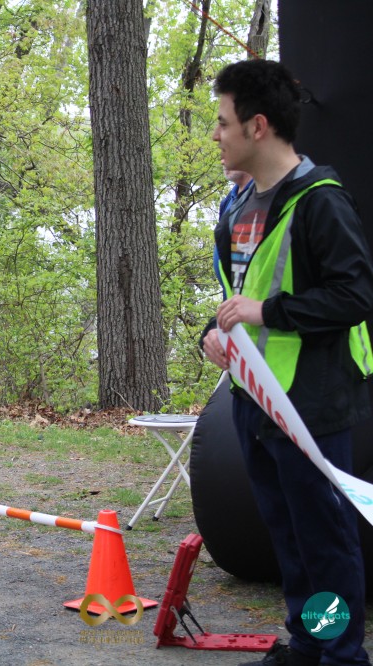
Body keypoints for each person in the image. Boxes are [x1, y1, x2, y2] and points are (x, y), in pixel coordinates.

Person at [201, 59, 373, 666]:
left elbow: (355, 297)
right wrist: (213, 336)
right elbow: (236, 298)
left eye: (223, 122)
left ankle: (342, 656)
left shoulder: (321, 201)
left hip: (311, 405)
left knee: (324, 538)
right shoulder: (237, 206)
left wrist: (267, 312)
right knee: (288, 534)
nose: (215, 135)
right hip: (254, 398)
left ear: (258, 126)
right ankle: (308, 643)